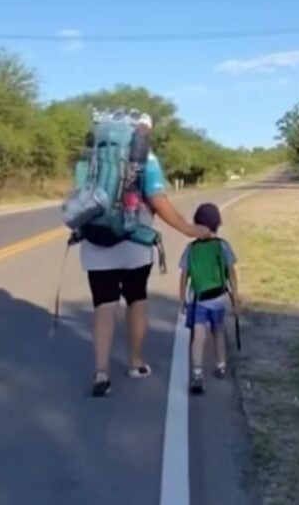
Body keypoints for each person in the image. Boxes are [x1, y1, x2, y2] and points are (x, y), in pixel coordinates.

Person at [79, 113, 211, 397]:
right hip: (134, 241)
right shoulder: (145, 157)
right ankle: (135, 363)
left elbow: (81, 197)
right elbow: (158, 201)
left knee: (104, 305)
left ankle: (101, 373)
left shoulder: (90, 156)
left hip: (95, 240)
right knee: (136, 301)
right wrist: (188, 229)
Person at [178, 202, 239, 395]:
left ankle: (197, 374)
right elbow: (231, 273)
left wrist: (182, 299)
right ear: (216, 224)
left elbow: (184, 275)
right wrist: (235, 297)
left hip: (199, 300)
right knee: (218, 331)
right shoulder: (223, 246)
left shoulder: (191, 248)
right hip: (219, 298)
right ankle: (221, 365)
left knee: (199, 336)